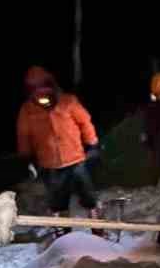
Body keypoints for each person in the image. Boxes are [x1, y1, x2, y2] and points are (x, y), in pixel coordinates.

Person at [15, 66, 100, 215]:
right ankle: (63, 232)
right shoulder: (27, 110)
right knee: (58, 201)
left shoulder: (68, 102)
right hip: (50, 164)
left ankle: (97, 226)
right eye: (35, 89)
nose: (41, 94)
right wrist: (25, 156)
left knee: (88, 195)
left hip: (75, 159)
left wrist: (92, 142)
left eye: (43, 87)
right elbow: (23, 135)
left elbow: (85, 122)